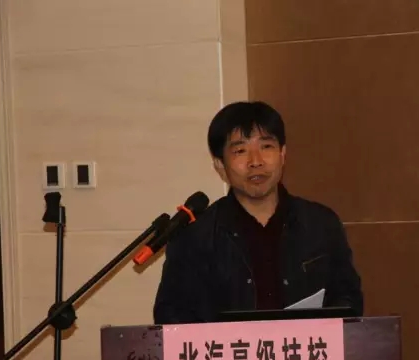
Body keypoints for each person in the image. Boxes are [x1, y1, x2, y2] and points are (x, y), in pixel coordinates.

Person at [152, 101, 363, 324]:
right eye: (240, 150)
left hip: (305, 346)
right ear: (220, 166)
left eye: (266, 147)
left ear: (283, 154)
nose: (255, 161)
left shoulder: (321, 224)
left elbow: (348, 301)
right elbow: (171, 317)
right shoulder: (194, 237)